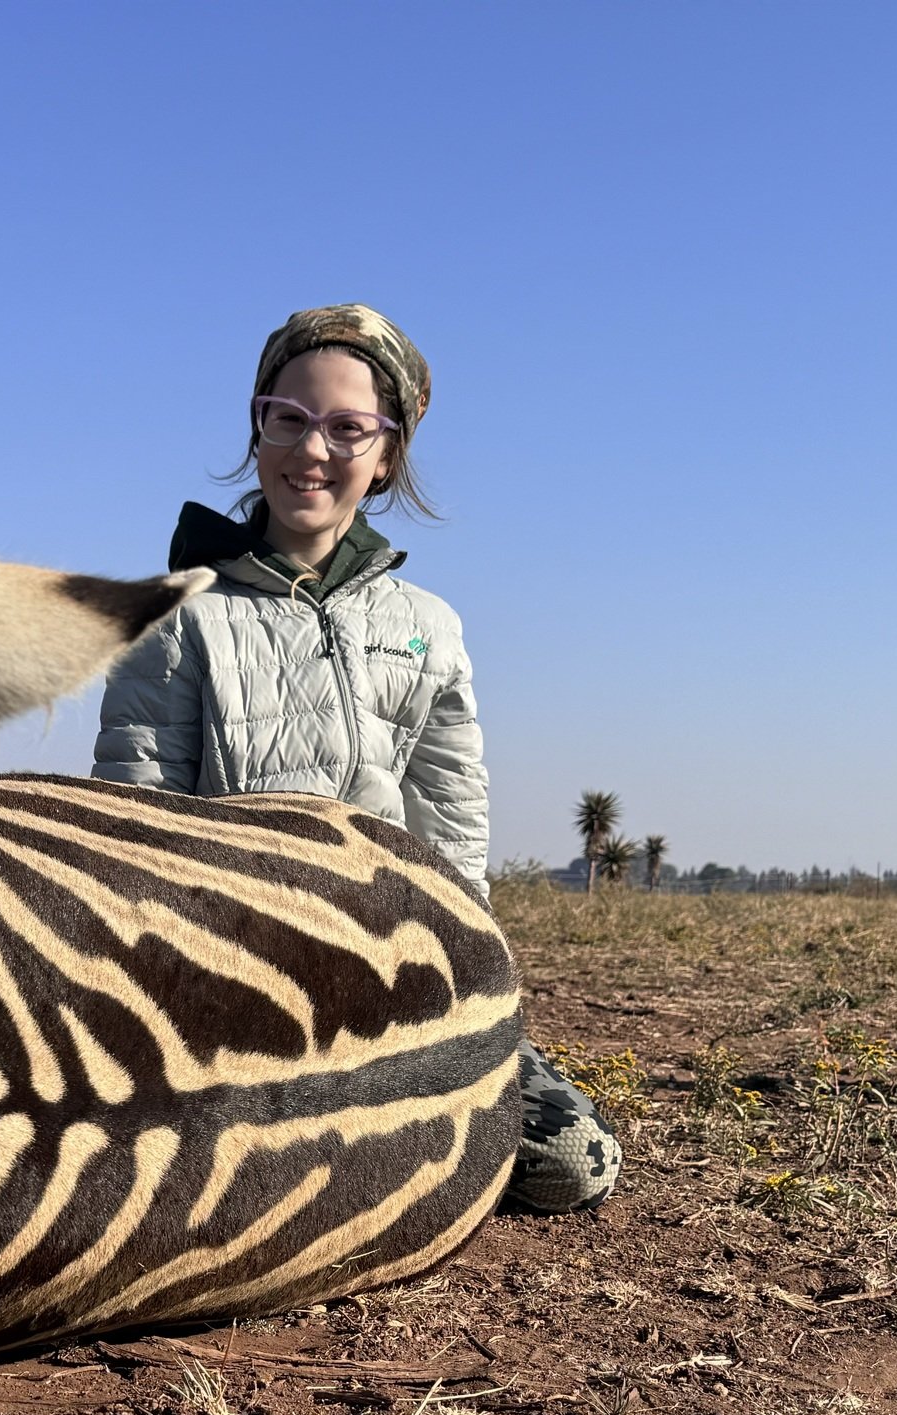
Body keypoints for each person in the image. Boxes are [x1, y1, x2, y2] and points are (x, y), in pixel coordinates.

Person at [91, 303, 618, 1215]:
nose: (313, 450)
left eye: (347, 428)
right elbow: (132, 830)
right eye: (287, 419)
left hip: (394, 974)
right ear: (257, 432)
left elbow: (451, 833)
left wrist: (461, 987)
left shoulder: (430, 628)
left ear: (386, 457)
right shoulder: (175, 614)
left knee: (574, 1163)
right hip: (229, 975)